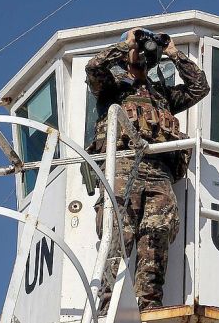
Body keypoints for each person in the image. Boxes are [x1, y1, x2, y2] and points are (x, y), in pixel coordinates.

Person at [85, 28, 210, 313]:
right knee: (118, 234)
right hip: (122, 168)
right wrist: (125, 44)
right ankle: (106, 305)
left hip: (158, 173)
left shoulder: (162, 94)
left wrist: (174, 53)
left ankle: (149, 306)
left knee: (157, 235)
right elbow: (93, 67)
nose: (141, 53)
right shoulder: (112, 88)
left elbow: (199, 88)